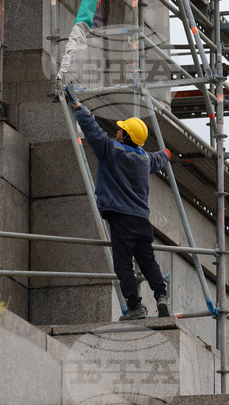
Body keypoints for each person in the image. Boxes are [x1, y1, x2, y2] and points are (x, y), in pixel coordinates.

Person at [64, 85, 172, 321]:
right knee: (147, 260)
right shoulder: (145, 160)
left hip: (121, 219)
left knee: (123, 264)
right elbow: (159, 158)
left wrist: (77, 106)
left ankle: (134, 308)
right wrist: (167, 153)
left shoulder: (111, 151)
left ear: (128, 136)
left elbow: (92, 130)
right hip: (142, 221)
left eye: (121, 130)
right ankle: (161, 296)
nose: (117, 132)